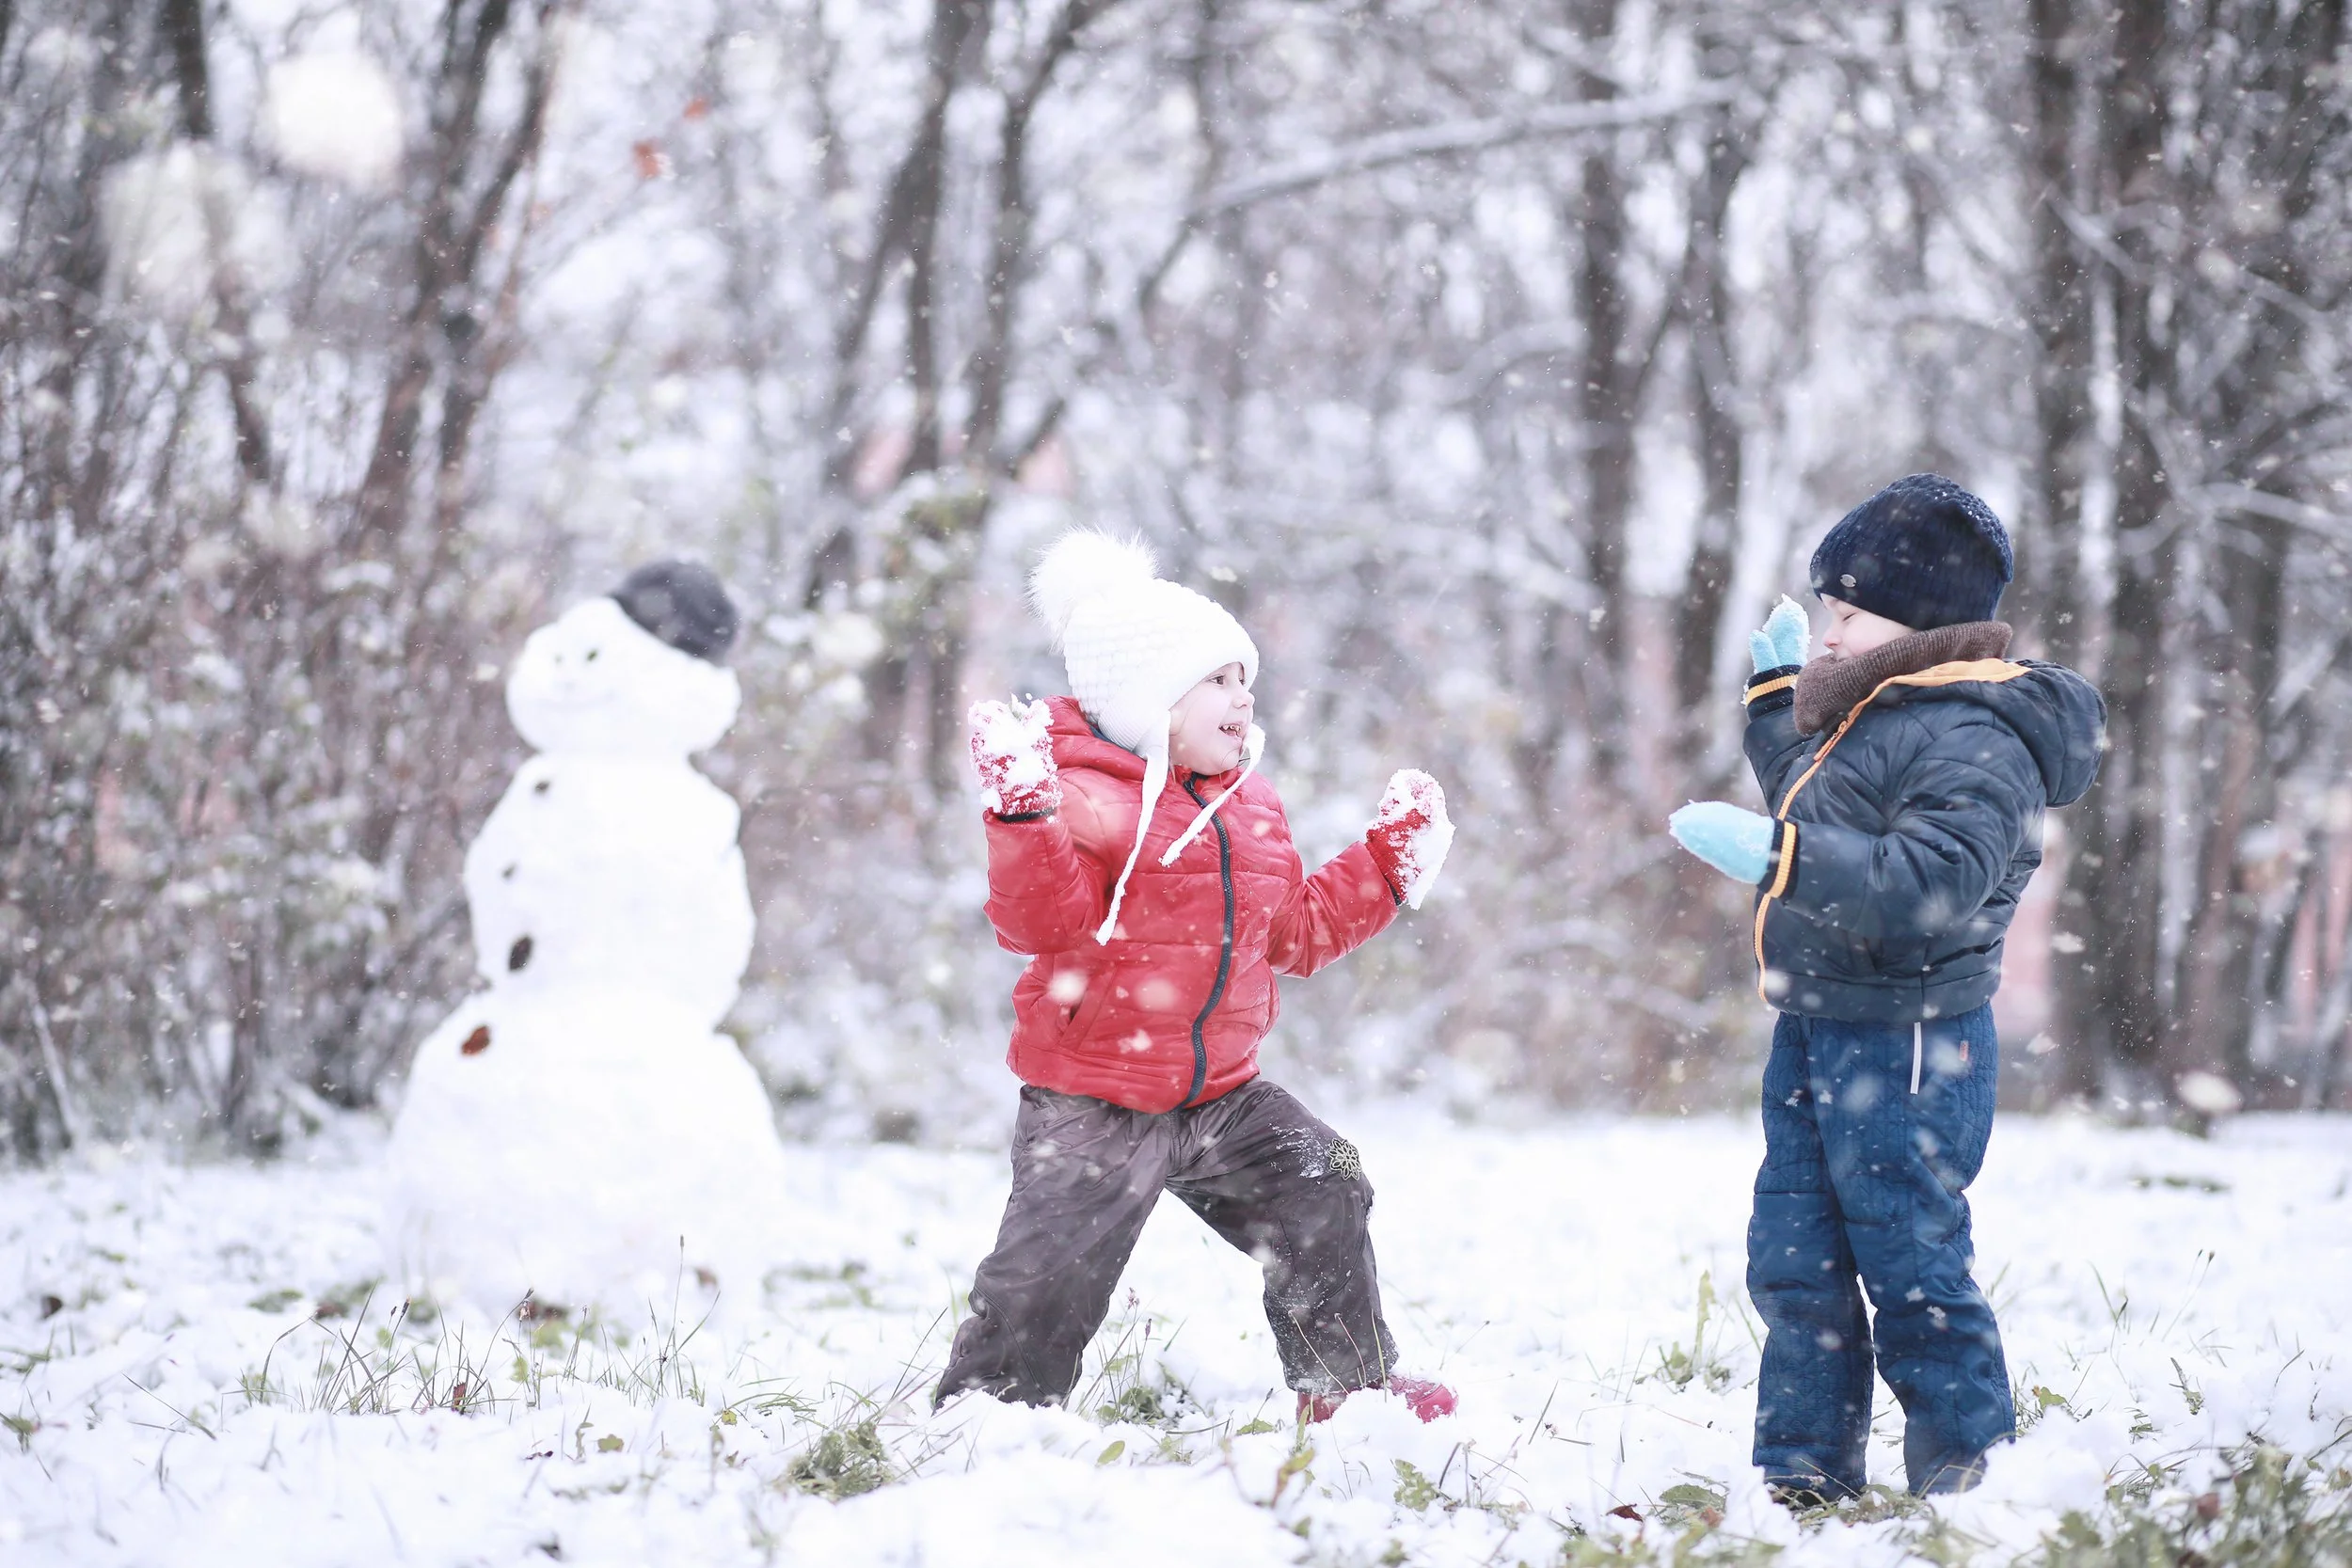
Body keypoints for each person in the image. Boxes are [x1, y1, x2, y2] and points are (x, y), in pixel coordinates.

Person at [936, 530, 1457, 1423]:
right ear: (1147, 700)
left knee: (1322, 1177)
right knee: (1050, 1271)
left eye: (1244, 680)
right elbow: (1038, 923)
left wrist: (1385, 868)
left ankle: (1346, 1386)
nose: (1241, 697)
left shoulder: (1248, 804)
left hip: (1223, 1094)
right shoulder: (1082, 793)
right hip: (1097, 1099)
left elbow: (1292, 932)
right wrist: (1024, 815)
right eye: (1216, 680)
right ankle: (993, 1411)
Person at [1667, 474, 2105, 1499]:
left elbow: (1931, 882)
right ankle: (1804, 1467)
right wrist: (1776, 706)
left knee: (1909, 1261)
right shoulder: (1875, 711)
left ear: (1918, 620)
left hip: (1910, 1041)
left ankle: (1971, 1466)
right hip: (1816, 1022)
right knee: (1794, 1251)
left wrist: (1779, 859)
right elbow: (1821, 798)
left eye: (1845, 612)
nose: (1826, 631)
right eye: (1825, 610)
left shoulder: (1976, 734)